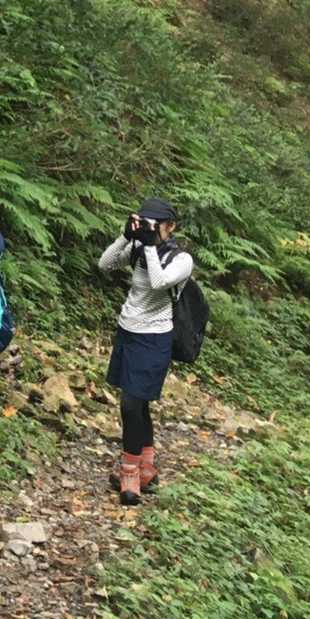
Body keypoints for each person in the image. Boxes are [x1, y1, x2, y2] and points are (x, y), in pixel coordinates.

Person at [100, 198, 193, 506]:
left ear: (171, 227)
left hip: (154, 338)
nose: (149, 228)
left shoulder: (181, 259)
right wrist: (125, 236)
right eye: (144, 222)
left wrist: (150, 245)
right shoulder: (139, 247)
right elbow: (105, 264)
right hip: (127, 331)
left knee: (131, 404)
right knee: (138, 404)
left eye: (155, 224)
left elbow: (157, 282)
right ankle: (147, 467)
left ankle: (130, 474)